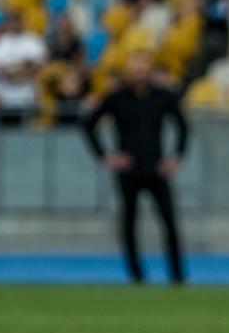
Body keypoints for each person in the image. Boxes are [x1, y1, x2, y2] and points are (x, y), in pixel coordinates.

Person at [81, 50, 189, 284]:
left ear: (150, 68)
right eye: (135, 64)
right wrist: (105, 155)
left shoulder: (163, 96)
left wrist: (177, 156)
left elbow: (183, 125)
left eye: (144, 64)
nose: (140, 69)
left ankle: (177, 276)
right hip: (129, 170)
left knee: (169, 221)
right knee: (129, 222)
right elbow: (88, 123)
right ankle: (136, 275)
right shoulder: (116, 98)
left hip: (157, 169)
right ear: (128, 69)